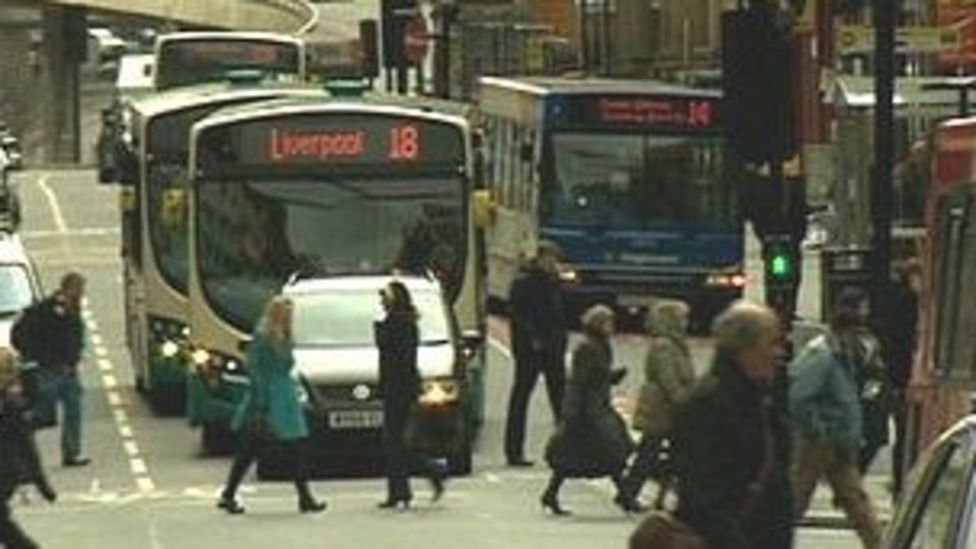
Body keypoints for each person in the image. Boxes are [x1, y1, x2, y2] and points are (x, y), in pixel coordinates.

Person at [673, 301, 793, 549]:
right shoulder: (708, 403)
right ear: (745, 348)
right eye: (772, 343)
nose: (780, 353)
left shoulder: (758, 398)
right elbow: (702, 497)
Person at [790, 288, 883, 549]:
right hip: (818, 443)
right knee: (797, 500)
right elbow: (799, 396)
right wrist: (818, 429)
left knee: (857, 502)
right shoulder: (823, 356)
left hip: (839, 442)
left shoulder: (843, 357)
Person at [216, 296, 325, 515]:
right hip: (271, 397)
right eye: (286, 313)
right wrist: (262, 402)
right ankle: (229, 494)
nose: (290, 318)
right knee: (253, 450)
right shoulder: (263, 337)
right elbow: (255, 369)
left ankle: (304, 497)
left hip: (284, 397)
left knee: (291, 450)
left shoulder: (282, 335)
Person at [540, 305, 640, 515]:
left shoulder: (600, 346)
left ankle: (551, 493)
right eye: (608, 323)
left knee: (578, 455)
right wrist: (573, 410)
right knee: (609, 452)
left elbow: (593, 376)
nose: (612, 327)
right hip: (589, 409)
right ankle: (627, 498)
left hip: (595, 406)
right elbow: (580, 381)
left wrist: (610, 377)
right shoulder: (588, 348)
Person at [374, 280, 447, 509]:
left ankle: (423, 477)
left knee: (394, 442)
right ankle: (402, 489)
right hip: (397, 388)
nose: (382, 301)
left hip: (400, 390)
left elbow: (400, 359)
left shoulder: (400, 324)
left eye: (385, 296)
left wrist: (381, 333)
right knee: (395, 443)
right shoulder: (399, 322)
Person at [619, 299, 696, 510]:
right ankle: (630, 492)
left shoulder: (673, 344)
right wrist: (684, 400)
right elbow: (668, 378)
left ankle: (638, 492)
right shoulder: (665, 346)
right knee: (651, 452)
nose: (686, 323)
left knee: (658, 451)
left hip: (665, 406)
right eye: (682, 318)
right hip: (662, 408)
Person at [14, 272, 89, 467]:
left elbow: (73, 336)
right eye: (79, 288)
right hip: (49, 369)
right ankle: (16, 442)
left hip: (68, 369)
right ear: (69, 288)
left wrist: (75, 355)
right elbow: (22, 333)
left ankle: (71, 452)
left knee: (74, 409)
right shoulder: (46, 309)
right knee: (42, 415)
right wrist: (38, 355)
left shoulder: (73, 308)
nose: (82, 293)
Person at [504, 242, 567, 467]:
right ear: (540, 259)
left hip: (552, 347)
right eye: (550, 260)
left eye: (555, 260)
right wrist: (533, 336)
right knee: (521, 397)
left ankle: (565, 450)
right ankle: (514, 450)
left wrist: (559, 340)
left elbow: (559, 315)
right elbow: (516, 313)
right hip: (530, 348)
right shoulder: (525, 283)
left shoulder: (554, 283)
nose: (553, 264)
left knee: (560, 399)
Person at [0, 348, 56, 549]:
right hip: (9, 471)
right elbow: (27, 446)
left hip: (4, 471)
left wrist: (42, 483)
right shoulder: (11, 404)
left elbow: (25, 444)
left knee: (4, 527)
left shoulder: (10, 406)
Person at [877, 259, 920, 497]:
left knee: (903, 433)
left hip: (898, 378)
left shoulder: (898, 301)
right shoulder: (908, 303)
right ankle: (902, 480)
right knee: (905, 433)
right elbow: (901, 344)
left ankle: (901, 480)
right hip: (903, 379)